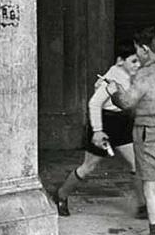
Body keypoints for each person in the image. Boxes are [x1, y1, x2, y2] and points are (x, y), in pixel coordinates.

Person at [106, 24, 155, 235]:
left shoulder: (146, 73)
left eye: (138, 49)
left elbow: (127, 102)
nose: (137, 54)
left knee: (150, 189)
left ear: (146, 49)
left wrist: (114, 91)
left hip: (150, 134)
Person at [54, 40, 145, 218]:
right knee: (88, 167)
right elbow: (94, 103)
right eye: (133, 61)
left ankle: (143, 206)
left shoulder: (130, 75)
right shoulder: (112, 78)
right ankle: (61, 196)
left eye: (139, 61)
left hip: (121, 122)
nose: (138, 65)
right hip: (105, 123)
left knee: (137, 165)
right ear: (120, 61)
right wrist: (97, 130)